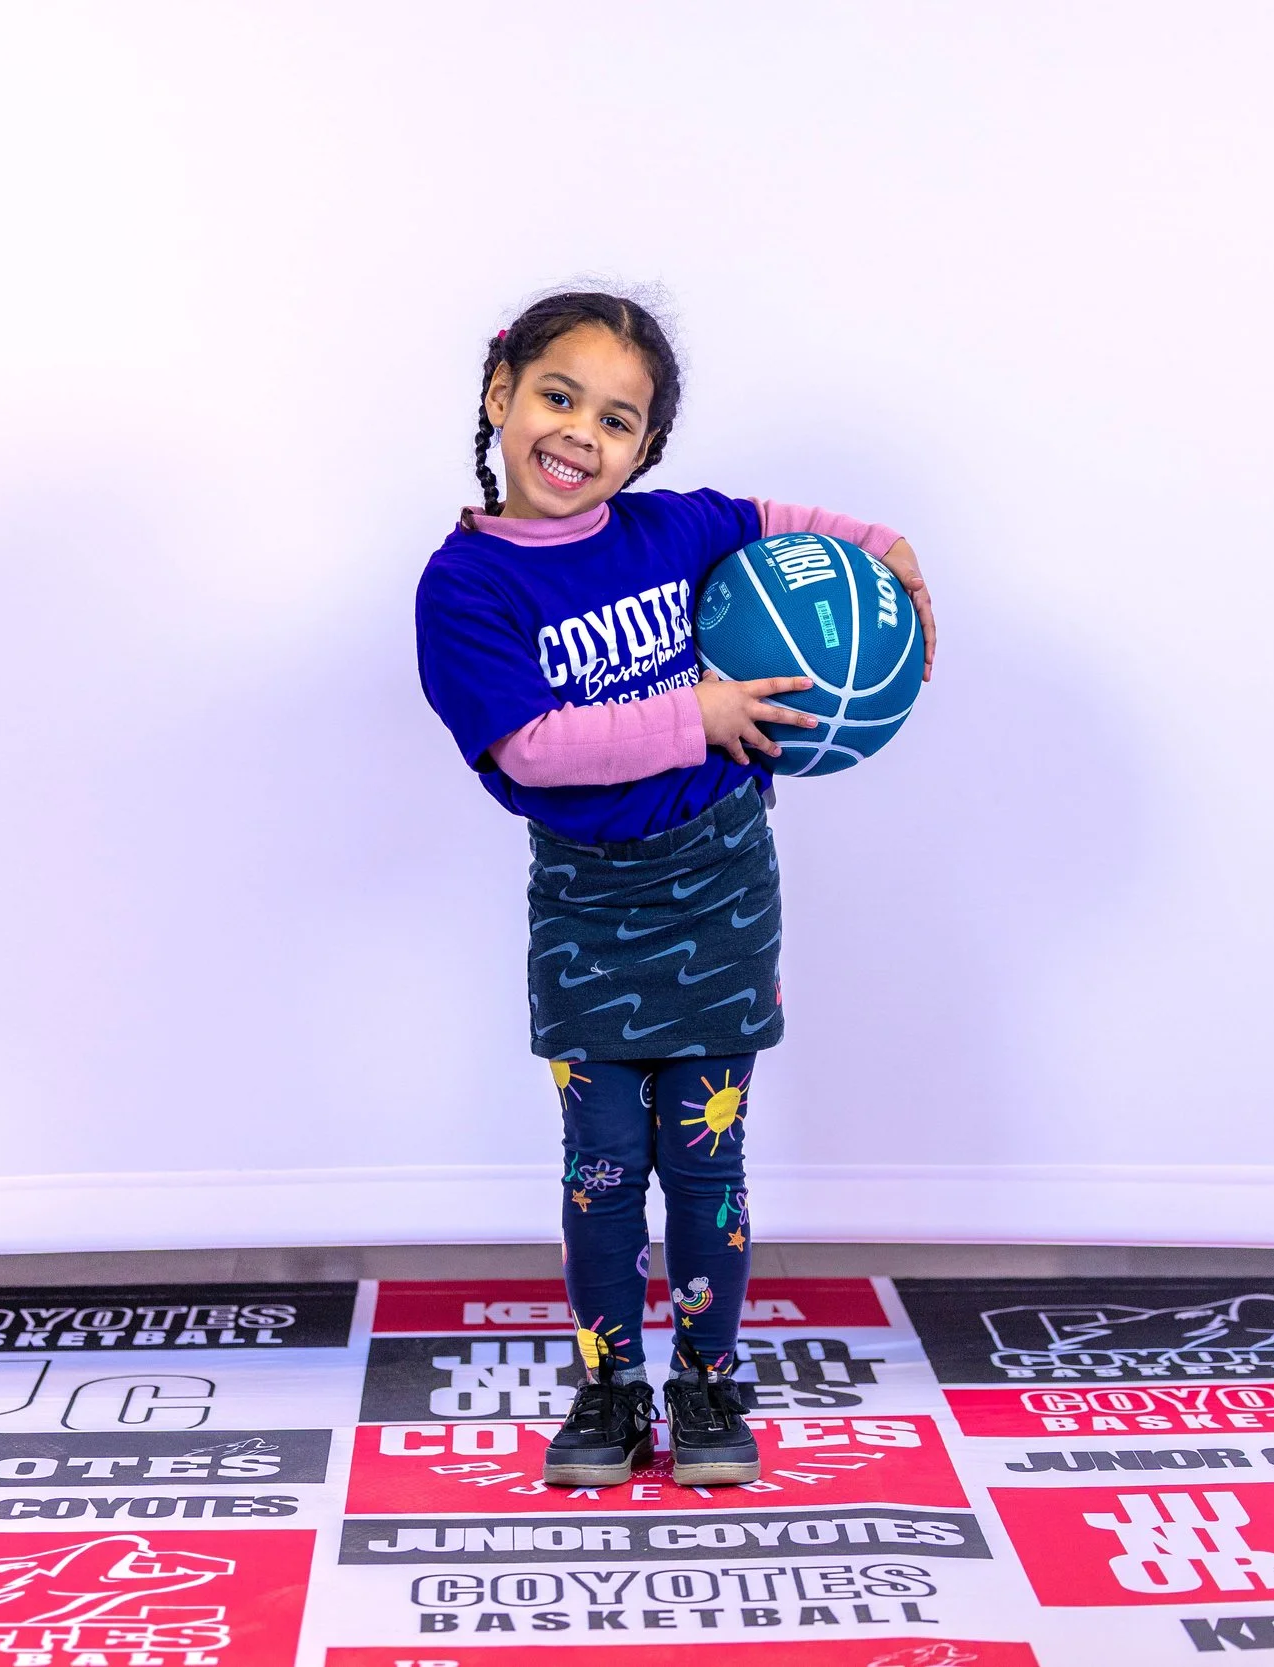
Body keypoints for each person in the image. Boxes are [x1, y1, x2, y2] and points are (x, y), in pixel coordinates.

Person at [412, 291, 935, 1488]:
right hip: (589, 908)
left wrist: (882, 546)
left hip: (721, 885)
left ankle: (706, 1376)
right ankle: (609, 1384)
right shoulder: (465, 587)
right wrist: (693, 712)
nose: (579, 434)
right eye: (557, 397)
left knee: (706, 1165)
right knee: (601, 1167)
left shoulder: (670, 528)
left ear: (645, 446)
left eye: (617, 419)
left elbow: (773, 520)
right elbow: (532, 749)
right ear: (499, 392)